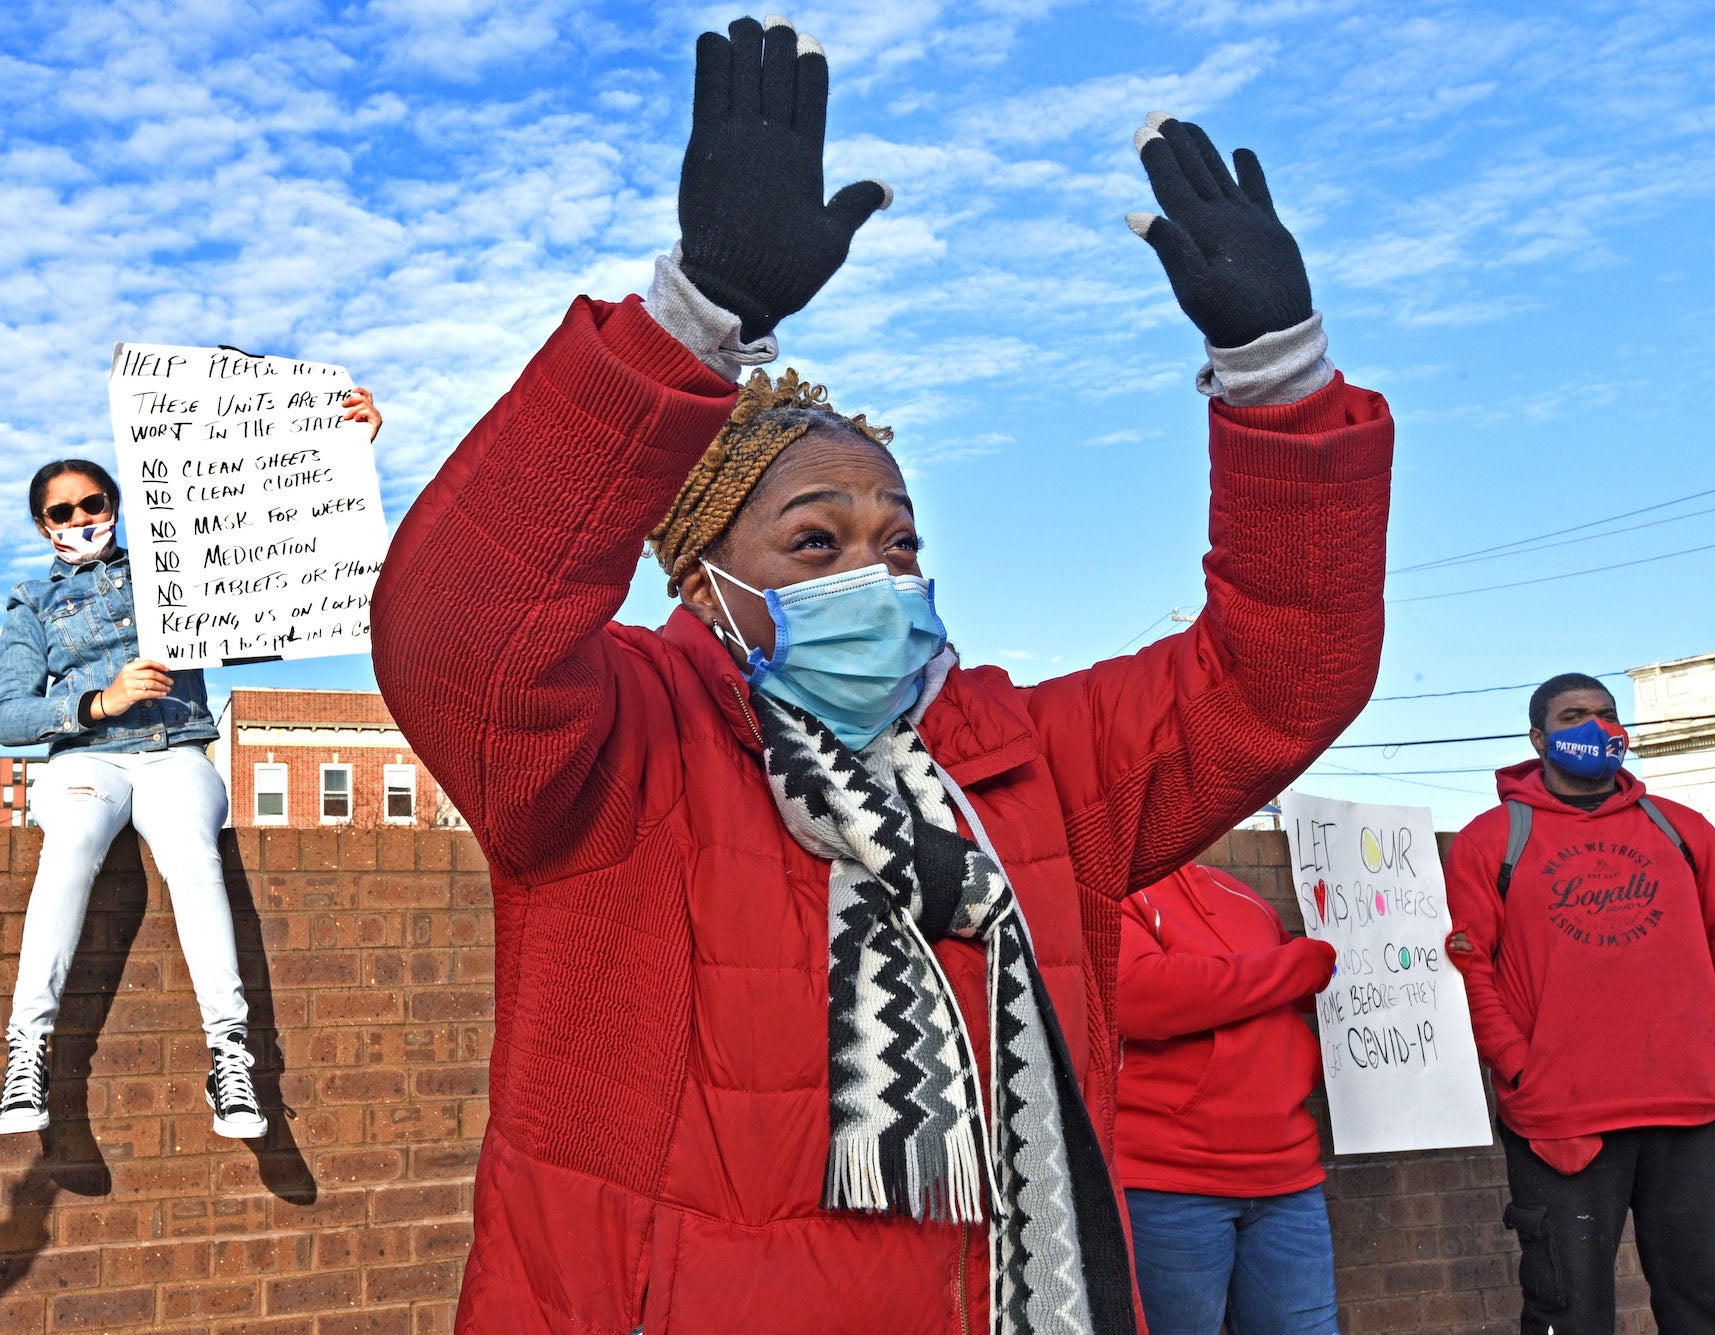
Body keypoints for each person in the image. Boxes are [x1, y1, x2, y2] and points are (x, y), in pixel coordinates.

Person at [371, 16, 1391, 1335]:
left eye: (900, 538)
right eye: (817, 539)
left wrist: (1278, 380)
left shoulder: (1031, 757)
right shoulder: (621, 747)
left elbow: (1278, 677)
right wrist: (692, 319)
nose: (879, 571)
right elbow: (463, 621)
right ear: (702, 579)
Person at [0, 389, 382, 1139]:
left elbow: (275, 556)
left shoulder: (174, 570)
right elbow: (8, 716)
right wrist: (99, 702)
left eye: (93, 502)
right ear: (43, 525)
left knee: (195, 858)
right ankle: (25, 1048)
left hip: (174, 749)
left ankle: (229, 1055)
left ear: (116, 503)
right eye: (62, 512)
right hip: (88, 759)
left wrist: (346, 454)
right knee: (69, 845)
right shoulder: (32, 602)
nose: (81, 519)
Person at [1445, 672, 1715, 1335]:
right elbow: (1472, 968)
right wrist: (1515, 1063)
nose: (1596, 726)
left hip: (1693, 1107)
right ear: (1537, 736)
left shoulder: (1683, 829)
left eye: (1607, 713)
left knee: (1708, 1306)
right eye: (1574, 714)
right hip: (1562, 1116)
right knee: (1567, 1316)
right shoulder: (1490, 839)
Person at [1115, 864, 1340, 1333]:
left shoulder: (1243, 894)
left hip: (1288, 1176)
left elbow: (1293, 989)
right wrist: (1298, 965)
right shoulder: (1115, 891)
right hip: (1173, 1181)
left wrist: (1429, 961)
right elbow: (1140, 997)